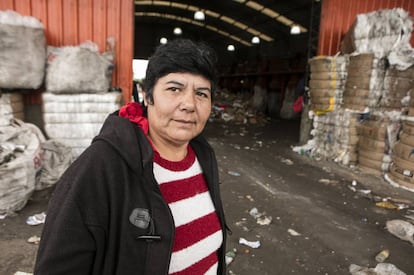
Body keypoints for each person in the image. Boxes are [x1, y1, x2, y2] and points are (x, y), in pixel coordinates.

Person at [34, 38, 227, 275]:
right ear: (146, 96)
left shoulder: (203, 157)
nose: (189, 104)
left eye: (201, 94)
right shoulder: (102, 166)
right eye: (174, 89)